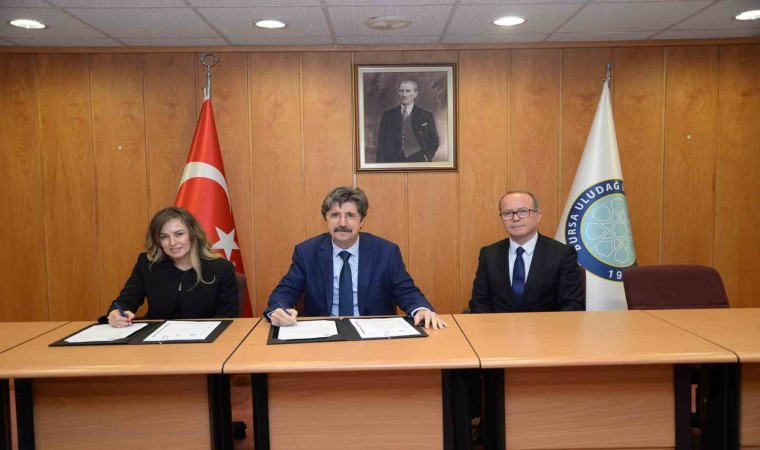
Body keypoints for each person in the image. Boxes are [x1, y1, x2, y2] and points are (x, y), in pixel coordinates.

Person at [266, 186, 447, 329]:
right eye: (335, 215)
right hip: (323, 335)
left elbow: (405, 290)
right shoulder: (307, 252)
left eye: (350, 216)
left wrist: (421, 309)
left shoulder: (386, 252)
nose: (342, 223)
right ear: (325, 220)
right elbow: (286, 290)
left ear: (362, 221)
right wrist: (278, 309)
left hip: (375, 335)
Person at [106, 206, 238, 327]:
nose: (172, 242)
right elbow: (126, 301)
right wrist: (116, 313)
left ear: (193, 234)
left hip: (207, 340)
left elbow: (228, 317)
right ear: (157, 240)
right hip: (155, 340)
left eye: (179, 234)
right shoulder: (147, 264)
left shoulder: (221, 268)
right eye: (164, 237)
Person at [469, 190, 585, 313]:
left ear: (538, 216)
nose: (515, 218)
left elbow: (572, 304)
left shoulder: (562, 254)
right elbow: (479, 302)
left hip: (546, 325)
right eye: (507, 213)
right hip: (498, 324)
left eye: (523, 211)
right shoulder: (489, 254)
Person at [376, 80, 439, 163]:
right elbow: (381, 143)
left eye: (408, 91)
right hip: (393, 161)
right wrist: (380, 165)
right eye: (401, 91)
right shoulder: (388, 115)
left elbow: (434, 141)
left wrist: (426, 157)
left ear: (415, 94)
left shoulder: (426, 115)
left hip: (419, 160)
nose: (404, 94)